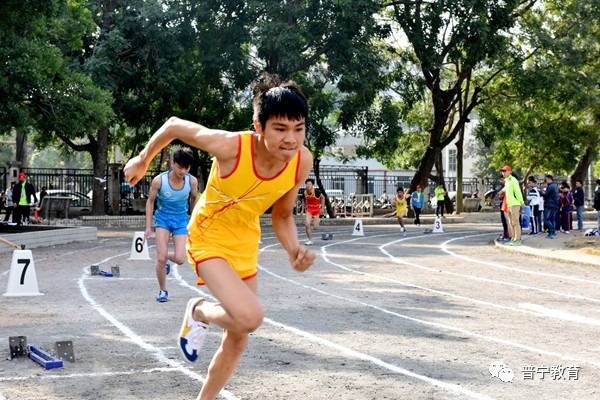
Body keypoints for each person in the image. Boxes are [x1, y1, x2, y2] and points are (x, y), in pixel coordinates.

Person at [123, 77, 316, 400]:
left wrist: (294, 248)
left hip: (244, 239)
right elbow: (173, 126)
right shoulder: (231, 147)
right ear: (258, 126)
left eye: (298, 129)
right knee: (251, 317)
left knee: (239, 337)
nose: (291, 139)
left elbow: (282, 215)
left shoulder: (301, 161)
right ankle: (198, 311)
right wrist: (143, 160)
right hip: (208, 235)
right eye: (280, 129)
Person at [145, 147, 199, 302]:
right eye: (180, 166)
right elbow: (150, 202)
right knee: (160, 259)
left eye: (186, 168)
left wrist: (193, 219)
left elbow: (195, 198)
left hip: (181, 220)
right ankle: (163, 290)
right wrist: (148, 226)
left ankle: (166, 257)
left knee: (181, 259)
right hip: (163, 219)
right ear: (173, 164)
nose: (183, 171)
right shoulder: (159, 181)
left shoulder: (191, 181)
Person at [500, 166, 524, 246]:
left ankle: (517, 239)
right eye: (502, 171)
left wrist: (521, 202)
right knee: (511, 223)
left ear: (509, 171)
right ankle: (513, 238)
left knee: (516, 222)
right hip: (509, 204)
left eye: (505, 171)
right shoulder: (507, 181)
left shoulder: (513, 180)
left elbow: (518, 192)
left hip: (515, 204)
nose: (503, 173)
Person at [302, 178, 324, 245]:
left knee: (315, 227)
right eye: (307, 184)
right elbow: (303, 200)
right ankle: (310, 240)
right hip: (309, 210)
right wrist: (302, 210)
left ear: (312, 185)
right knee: (307, 224)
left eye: (310, 184)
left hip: (316, 210)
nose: (308, 185)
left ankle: (318, 220)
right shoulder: (305, 192)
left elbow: (323, 197)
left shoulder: (316, 191)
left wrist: (322, 208)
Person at [542, 174, 560, 239]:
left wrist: (540, 192)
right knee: (550, 219)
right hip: (553, 204)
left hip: (550, 205)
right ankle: (551, 232)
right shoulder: (554, 186)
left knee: (546, 219)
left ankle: (552, 232)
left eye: (546, 180)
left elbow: (546, 194)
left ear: (549, 179)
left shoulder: (551, 186)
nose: (545, 181)